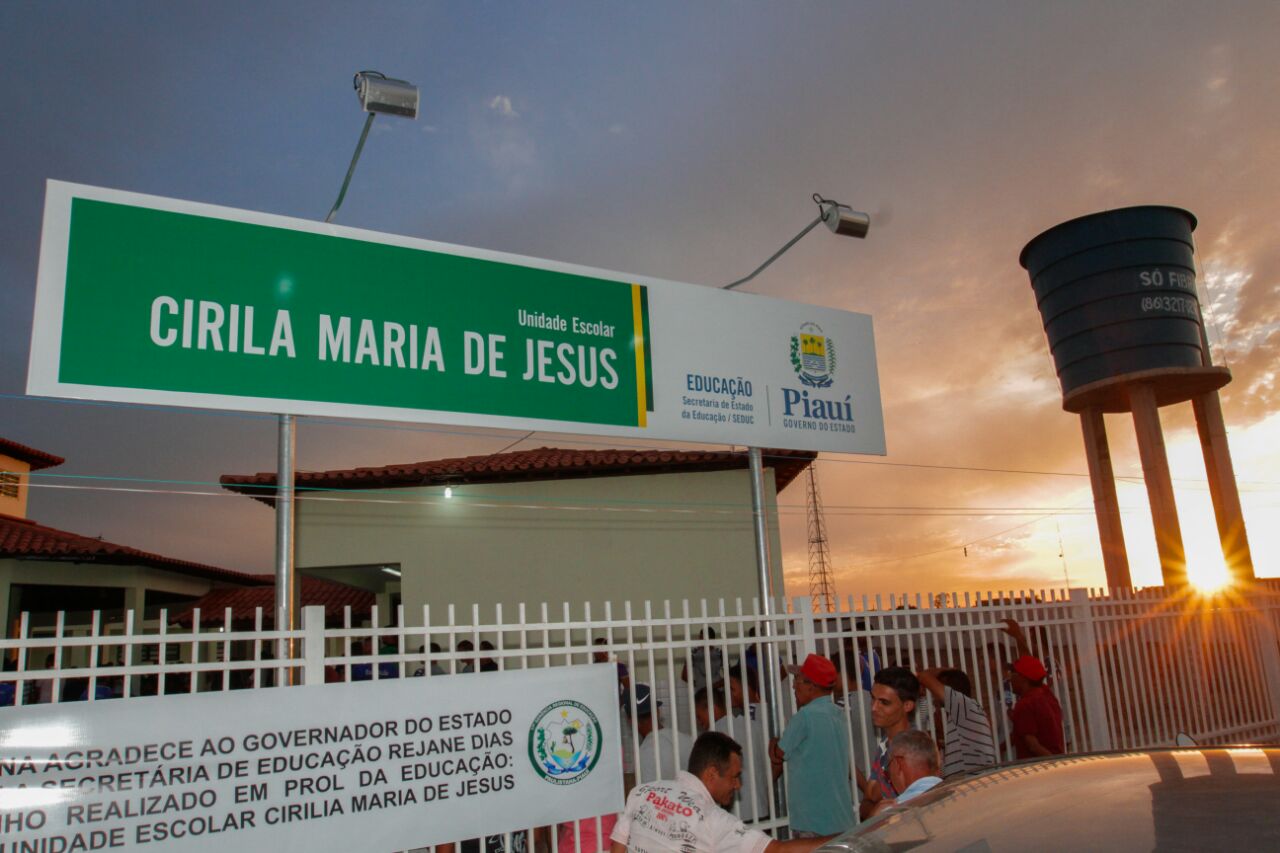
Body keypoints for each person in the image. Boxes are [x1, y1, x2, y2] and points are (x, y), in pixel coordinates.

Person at [611, 732, 834, 853]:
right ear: (711, 774)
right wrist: (848, 839)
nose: (737, 785)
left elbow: (618, 847)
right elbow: (777, 851)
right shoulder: (713, 820)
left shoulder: (641, 792)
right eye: (734, 777)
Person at [768, 654, 855, 837]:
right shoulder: (838, 714)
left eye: (797, 680)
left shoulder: (804, 717)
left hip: (812, 819)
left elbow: (780, 753)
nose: (793, 686)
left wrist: (773, 744)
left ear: (811, 686)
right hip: (840, 815)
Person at [695, 687, 771, 822]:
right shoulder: (754, 727)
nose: (700, 722)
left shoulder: (712, 737)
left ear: (711, 708)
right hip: (763, 810)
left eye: (699, 716)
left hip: (734, 817)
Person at [857, 666, 919, 819]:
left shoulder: (914, 750)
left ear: (907, 706)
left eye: (884, 703)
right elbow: (868, 801)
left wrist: (874, 808)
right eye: (873, 698)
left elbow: (918, 809)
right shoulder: (886, 744)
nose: (873, 707)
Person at [1001, 618, 1064, 759]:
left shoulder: (1025, 705)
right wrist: (1018, 637)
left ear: (1023, 679)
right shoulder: (1045, 694)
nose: (1010, 677)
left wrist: (1055, 766)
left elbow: (1033, 746)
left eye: (1014, 673)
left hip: (1039, 771)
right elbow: (1028, 662)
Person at [917, 667, 997, 777]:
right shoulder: (962, 715)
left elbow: (924, 676)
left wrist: (944, 669)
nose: (934, 697)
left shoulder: (966, 706)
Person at [869, 730, 943, 816]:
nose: (889, 781)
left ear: (898, 765)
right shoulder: (958, 791)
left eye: (888, 773)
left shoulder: (891, 812)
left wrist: (873, 818)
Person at [632, 683, 690, 784]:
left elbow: (649, 795)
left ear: (631, 721)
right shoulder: (687, 740)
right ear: (658, 712)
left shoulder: (644, 754)